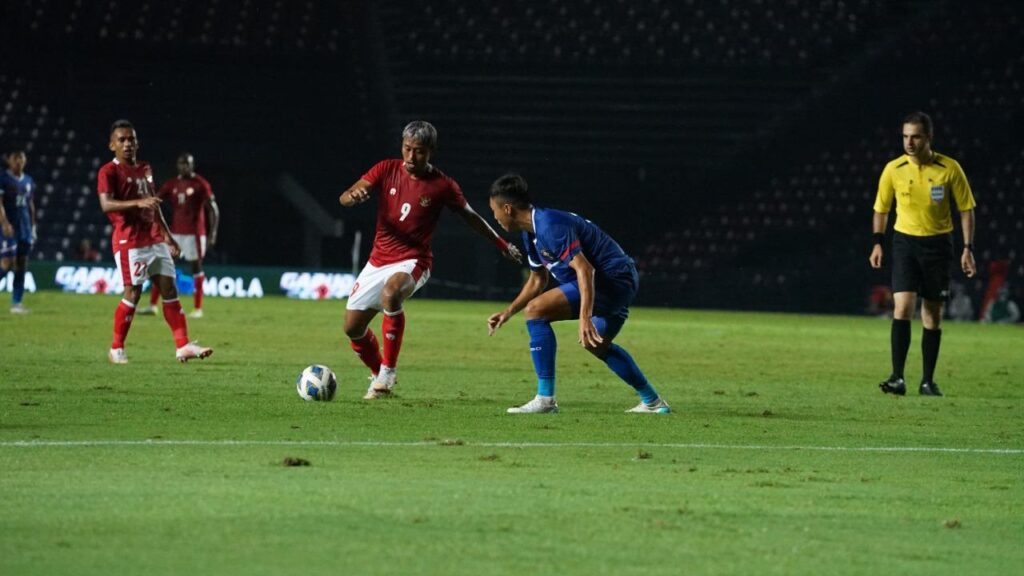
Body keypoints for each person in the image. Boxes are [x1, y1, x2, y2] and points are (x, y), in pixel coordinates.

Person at [338, 120, 522, 400]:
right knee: (352, 328)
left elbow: (471, 216)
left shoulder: (443, 185)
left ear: (431, 152)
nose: (411, 157)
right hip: (378, 260)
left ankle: (388, 370)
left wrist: (501, 243)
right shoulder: (386, 169)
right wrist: (354, 196)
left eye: (419, 151)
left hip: (413, 260)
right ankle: (379, 377)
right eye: (407, 149)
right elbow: (345, 197)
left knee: (391, 294)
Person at [486, 173, 670, 414]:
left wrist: (585, 317)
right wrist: (508, 312)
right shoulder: (530, 233)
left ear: (507, 208)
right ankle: (653, 402)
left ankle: (545, 399)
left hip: (613, 279)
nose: (495, 217)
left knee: (536, 311)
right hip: (616, 283)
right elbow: (537, 279)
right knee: (596, 344)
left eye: (494, 211)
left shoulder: (549, 226)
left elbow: (585, 269)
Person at [869, 111, 976, 397]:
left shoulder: (949, 168)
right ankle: (897, 378)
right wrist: (878, 242)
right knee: (902, 307)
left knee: (932, 315)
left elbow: (966, 209)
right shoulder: (894, 169)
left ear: (928, 137)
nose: (909, 142)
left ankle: (928, 381)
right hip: (905, 243)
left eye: (915, 136)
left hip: (939, 245)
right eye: (905, 136)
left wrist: (968, 248)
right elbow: (881, 208)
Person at [97, 119, 212, 364]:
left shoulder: (145, 168)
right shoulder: (108, 171)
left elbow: (154, 207)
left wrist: (168, 237)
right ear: (112, 145)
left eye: (131, 139)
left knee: (170, 290)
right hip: (130, 240)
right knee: (134, 292)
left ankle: (183, 346)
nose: (128, 143)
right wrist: (138, 203)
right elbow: (106, 204)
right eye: (122, 140)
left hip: (154, 239)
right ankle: (116, 348)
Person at [139, 152, 219, 318]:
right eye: (182, 164)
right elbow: (156, 200)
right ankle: (152, 305)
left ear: (192, 165)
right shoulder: (172, 184)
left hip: (195, 234)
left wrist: (213, 233)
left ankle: (198, 308)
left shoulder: (200, 184)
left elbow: (214, 209)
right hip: (175, 234)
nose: (184, 167)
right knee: (163, 266)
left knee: (196, 268)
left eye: (187, 164)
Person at [0, 150, 37, 314]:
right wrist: (4, 223)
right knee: (7, 263)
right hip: (9, 227)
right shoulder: (3, 178)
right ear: (9, 161)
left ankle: (17, 302)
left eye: (21, 158)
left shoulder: (28, 180)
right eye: (15, 158)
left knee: (21, 263)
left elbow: (30, 205)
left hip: (25, 228)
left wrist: (33, 227)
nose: (19, 162)